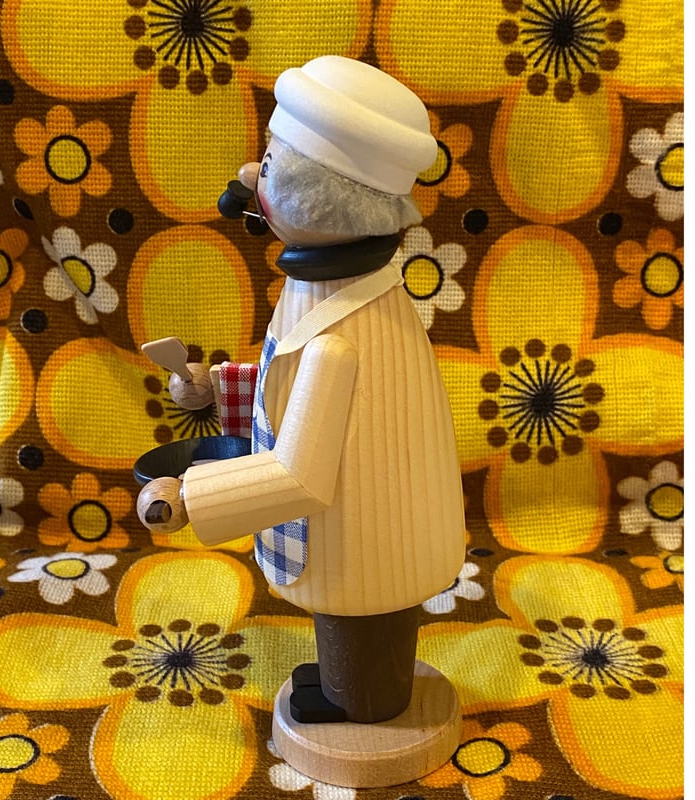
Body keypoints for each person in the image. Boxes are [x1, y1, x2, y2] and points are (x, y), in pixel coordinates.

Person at [137, 55, 466, 725]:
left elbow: (301, 475)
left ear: (324, 202)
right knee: (346, 616)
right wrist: (217, 390)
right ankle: (352, 691)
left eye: (269, 166)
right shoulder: (332, 290)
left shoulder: (342, 338)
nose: (247, 176)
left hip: (367, 532)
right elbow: (288, 381)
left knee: (363, 615)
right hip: (352, 528)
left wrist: (189, 496)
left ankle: (370, 708)